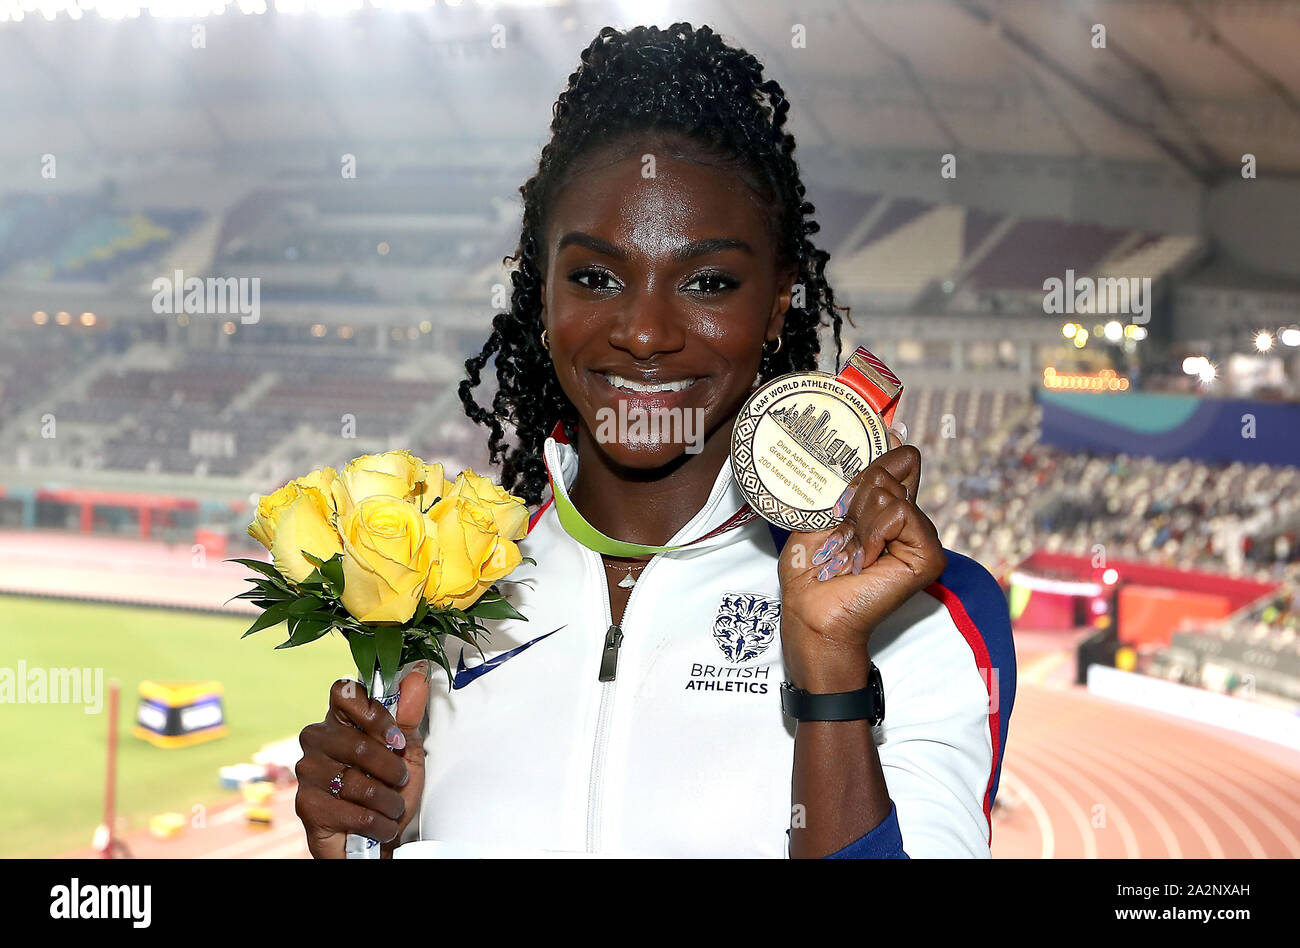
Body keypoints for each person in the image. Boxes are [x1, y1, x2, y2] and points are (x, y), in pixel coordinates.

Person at [294, 22, 1014, 858]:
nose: (643, 332)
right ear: (543, 290)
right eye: (595, 277)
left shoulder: (919, 613)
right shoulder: (447, 590)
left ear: (779, 301)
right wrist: (371, 840)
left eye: (708, 281)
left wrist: (829, 671)